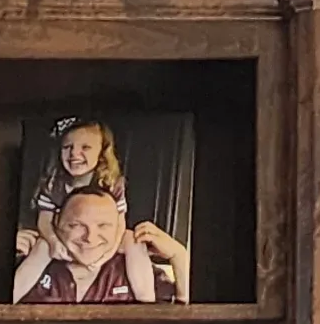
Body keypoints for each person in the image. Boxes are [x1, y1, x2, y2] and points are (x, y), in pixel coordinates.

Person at [9, 186, 187, 304]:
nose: (90, 238)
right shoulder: (28, 263)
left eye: (103, 226)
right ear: (56, 224)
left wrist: (179, 256)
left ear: (119, 229)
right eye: (76, 225)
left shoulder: (137, 269)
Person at [17, 117, 122, 257]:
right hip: (64, 237)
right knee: (41, 246)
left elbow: (119, 224)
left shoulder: (111, 183)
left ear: (102, 153)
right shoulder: (53, 184)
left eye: (85, 147)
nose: (74, 154)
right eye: (67, 147)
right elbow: (45, 220)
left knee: (133, 242)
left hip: (99, 241)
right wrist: (54, 241)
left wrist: (108, 253)